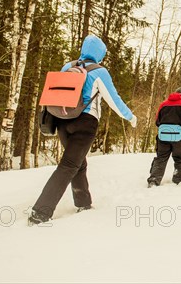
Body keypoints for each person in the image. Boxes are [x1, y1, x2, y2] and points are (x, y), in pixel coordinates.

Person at [29, 35, 138, 225]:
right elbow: (114, 99)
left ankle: (83, 203)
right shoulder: (99, 71)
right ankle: (40, 212)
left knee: (78, 163)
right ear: (100, 53)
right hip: (85, 122)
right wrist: (130, 116)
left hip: (62, 120)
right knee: (69, 165)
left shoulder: (67, 66)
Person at [147, 87, 181, 187]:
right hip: (178, 137)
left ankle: (154, 179)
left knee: (161, 158)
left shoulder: (163, 104)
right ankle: (177, 179)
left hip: (162, 136)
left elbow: (157, 121)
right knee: (180, 158)